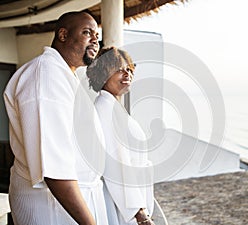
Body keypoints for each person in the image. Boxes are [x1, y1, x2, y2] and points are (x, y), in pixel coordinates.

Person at [3, 11, 108, 225]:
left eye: (97, 35)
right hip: (53, 207)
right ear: (63, 35)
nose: (95, 40)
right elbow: (54, 169)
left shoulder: (64, 75)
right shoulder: (46, 75)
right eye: (87, 32)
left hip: (74, 201)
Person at [86, 47, 156, 225]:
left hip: (131, 196)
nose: (127, 74)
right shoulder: (105, 110)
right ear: (102, 74)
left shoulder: (113, 107)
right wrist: (139, 214)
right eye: (118, 69)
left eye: (129, 69)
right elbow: (117, 166)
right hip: (122, 202)